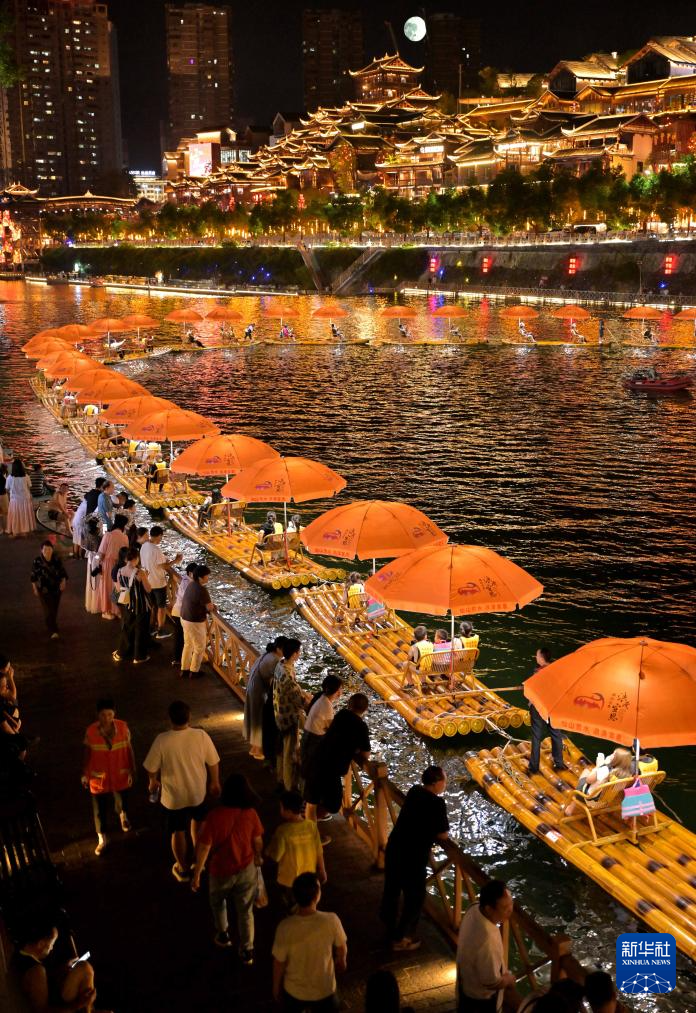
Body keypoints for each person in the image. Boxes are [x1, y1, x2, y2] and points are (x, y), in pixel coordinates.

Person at [143, 699, 221, 883]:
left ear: (170, 719)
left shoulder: (162, 740)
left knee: (177, 831)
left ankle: (183, 868)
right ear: (189, 717)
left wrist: (152, 781)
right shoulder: (201, 735)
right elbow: (213, 762)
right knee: (198, 824)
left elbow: (151, 767)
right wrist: (215, 782)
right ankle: (199, 861)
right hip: (197, 792)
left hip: (173, 797)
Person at [192, 774, 264, 962]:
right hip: (246, 868)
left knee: (218, 902)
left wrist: (197, 873)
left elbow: (204, 847)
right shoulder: (251, 813)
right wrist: (257, 856)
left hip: (220, 870)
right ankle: (247, 949)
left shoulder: (214, 816)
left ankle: (223, 933)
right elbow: (257, 840)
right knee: (245, 910)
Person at [380, 765, 449, 951]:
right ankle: (401, 938)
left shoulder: (414, 791)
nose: (445, 784)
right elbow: (443, 834)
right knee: (415, 898)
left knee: (392, 888)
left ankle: (388, 924)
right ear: (436, 783)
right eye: (444, 780)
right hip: (413, 856)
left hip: (395, 847)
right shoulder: (437, 803)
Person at [272, 872, 347, 1012]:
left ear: (295, 896)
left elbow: (279, 962)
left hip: (294, 992)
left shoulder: (285, 927)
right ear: (317, 895)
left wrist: (276, 987)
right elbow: (341, 947)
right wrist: (341, 961)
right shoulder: (331, 920)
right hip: (325, 990)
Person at [82, 697, 136, 856]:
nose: (106, 718)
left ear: (114, 714)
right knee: (99, 809)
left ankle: (123, 815)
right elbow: (87, 753)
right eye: (103, 715)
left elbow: (129, 748)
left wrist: (133, 768)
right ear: (97, 715)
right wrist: (84, 773)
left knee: (123, 798)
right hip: (99, 776)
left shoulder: (123, 727)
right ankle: (102, 837)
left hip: (120, 772)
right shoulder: (91, 731)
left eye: (110, 714)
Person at [304, 694, 371, 817]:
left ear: (349, 704)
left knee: (312, 801)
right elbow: (366, 755)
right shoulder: (362, 727)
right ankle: (314, 823)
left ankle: (310, 826)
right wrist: (355, 750)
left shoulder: (341, 714)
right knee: (333, 804)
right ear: (365, 709)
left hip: (317, 758)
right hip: (332, 769)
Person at [456, 880, 518, 1012]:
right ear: (489, 909)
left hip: (465, 983)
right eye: (505, 907)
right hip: (480, 999)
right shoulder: (487, 939)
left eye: (511, 903)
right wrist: (509, 980)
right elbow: (492, 982)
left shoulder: (474, 908)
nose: (510, 910)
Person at [14, 917, 98, 1013]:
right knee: (86, 969)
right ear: (41, 944)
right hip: (59, 1007)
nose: (52, 948)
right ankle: (88, 1008)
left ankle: (89, 1009)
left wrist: (62, 970)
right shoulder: (36, 970)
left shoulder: (21, 954)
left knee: (83, 967)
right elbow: (42, 1011)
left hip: (56, 995)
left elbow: (42, 982)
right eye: (52, 944)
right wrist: (79, 1005)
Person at [266, 790, 326, 908]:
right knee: (307, 903)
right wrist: (322, 870)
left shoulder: (283, 831)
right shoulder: (311, 826)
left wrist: (268, 851)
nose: (280, 810)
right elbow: (319, 850)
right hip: (308, 876)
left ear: (288, 811)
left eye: (281, 807)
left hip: (289, 879)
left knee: (291, 904)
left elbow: (276, 856)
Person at [301, 675, 343, 831]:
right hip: (314, 747)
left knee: (310, 786)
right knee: (313, 789)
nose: (341, 692)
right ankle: (311, 831)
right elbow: (332, 730)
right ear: (336, 691)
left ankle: (309, 809)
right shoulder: (326, 706)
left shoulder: (321, 698)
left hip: (308, 741)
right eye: (340, 689)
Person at [273, 638, 311, 791]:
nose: (299, 654)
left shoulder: (281, 665)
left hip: (279, 713)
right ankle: (288, 787)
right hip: (288, 717)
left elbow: (295, 689)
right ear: (294, 654)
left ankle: (280, 778)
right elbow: (299, 700)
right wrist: (310, 701)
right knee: (289, 753)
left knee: (281, 749)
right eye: (298, 652)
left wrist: (304, 693)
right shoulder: (288, 675)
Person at [243, 637, 285, 760]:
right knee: (259, 719)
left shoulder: (267, 655)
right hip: (259, 691)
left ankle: (254, 747)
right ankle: (258, 749)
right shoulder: (275, 660)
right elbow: (278, 680)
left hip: (253, 688)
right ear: (279, 649)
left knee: (253, 717)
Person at [526, 648, 567, 775]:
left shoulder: (538, 672)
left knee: (536, 736)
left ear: (542, 658)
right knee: (556, 734)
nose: (536, 657)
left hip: (539, 707)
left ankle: (534, 766)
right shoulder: (556, 670)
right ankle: (559, 763)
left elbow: (532, 690)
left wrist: (529, 700)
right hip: (553, 706)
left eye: (537, 655)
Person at [139, 525, 182, 639]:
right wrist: (176, 560)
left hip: (147, 581)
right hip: (158, 582)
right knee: (161, 607)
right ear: (159, 536)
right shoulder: (156, 550)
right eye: (161, 537)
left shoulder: (144, 546)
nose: (161, 539)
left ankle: (151, 628)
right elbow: (163, 566)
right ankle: (160, 630)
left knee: (153, 606)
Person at [563, 747, 633, 817]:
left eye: (613, 754)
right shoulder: (625, 775)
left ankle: (570, 808)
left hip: (590, 799)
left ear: (617, 760)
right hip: (605, 801)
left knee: (585, 773)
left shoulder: (605, 770)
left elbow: (588, 780)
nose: (611, 755)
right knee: (591, 778)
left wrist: (599, 766)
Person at [112, 549, 153, 664]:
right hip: (141, 605)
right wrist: (146, 577)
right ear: (136, 558)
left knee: (128, 628)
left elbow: (119, 589)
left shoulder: (120, 571)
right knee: (141, 630)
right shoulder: (140, 573)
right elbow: (148, 589)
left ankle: (122, 653)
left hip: (128, 604)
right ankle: (139, 656)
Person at [180, 564, 215, 678]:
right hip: (194, 621)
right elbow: (209, 607)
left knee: (188, 644)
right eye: (207, 576)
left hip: (184, 617)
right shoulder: (202, 589)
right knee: (199, 647)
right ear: (200, 577)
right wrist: (214, 607)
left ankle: (184, 669)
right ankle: (194, 671)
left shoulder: (191, 585)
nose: (208, 578)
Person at [31, 541, 68, 639]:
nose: (47, 551)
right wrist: (34, 588)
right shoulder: (37, 561)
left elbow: (63, 572)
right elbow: (33, 576)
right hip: (44, 590)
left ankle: (50, 625)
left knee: (54, 609)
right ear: (41, 550)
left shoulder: (56, 559)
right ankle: (54, 630)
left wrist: (63, 582)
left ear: (52, 549)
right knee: (48, 609)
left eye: (49, 549)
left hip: (56, 589)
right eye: (45, 549)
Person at [94, 514, 129, 619]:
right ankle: (117, 610)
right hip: (119, 565)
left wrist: (96, 562)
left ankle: (106, 610)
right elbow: (126, 553)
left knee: (106, 587)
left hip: (107, 565)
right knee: (117, 587)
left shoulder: (108, 535)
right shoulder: (125, 537)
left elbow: (100, 553)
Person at [171, 562, 197, 668]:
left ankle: (177, 659)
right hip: (181, 613)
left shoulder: (184, 579)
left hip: (177, 611)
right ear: (190, 573)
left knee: (179, 637)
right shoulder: (189, 584)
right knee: (182, 638)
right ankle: (179, 660)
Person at [7, 458, 35, 536]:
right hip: (25, 499)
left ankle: (16, 531)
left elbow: (7, 489)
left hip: (14, 500)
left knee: (16, 515)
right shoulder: (26, 476)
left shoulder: (10, 477)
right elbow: (29, 487)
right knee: (24, 515)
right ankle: (25, 530)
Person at [403, 625, 433, 691]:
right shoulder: (431, 644)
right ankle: (423, 682)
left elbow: (408, 659)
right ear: (425, 636)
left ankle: (410, 684)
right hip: (431, 669)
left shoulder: (414, 647)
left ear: (415, 637)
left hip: (420, 670)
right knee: (424, 662)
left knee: (405, 664)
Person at [0, 461, 8, 535]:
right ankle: (5, 528)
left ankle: (1, 529)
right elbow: (6, 487)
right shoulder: (3, 477)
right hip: (2, 495)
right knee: (5, 512)